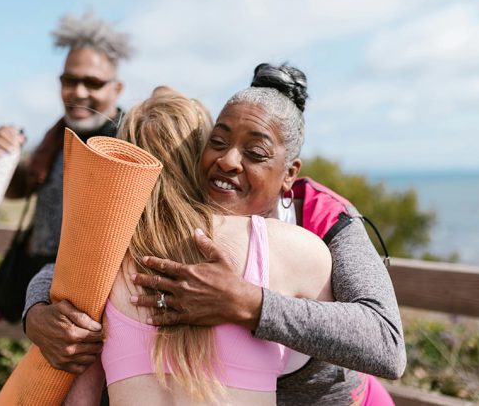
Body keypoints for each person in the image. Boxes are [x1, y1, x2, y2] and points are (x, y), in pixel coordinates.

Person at [25, 64, 405, 405]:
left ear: (289, 173)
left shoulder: (322, 218)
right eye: (218, 142)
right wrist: (38, 312)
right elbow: (85, 261)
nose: (228, 160)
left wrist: (250, 303)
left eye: (255, 152)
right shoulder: (176, 225)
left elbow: (386, 344)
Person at [62, 86, 333, 405]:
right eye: (217, 143)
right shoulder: (294, 249)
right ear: (200, 157)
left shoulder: (102, 259)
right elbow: (339, 366)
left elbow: (80, 399)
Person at [0, 12, 132, 328]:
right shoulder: (55, 136)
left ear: (117, 89)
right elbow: (21, 188)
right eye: (70, 80)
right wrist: (3, 157)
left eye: (92, 82)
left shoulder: (132, 139)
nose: (79, 92)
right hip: (40, 293)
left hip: (97, 302)